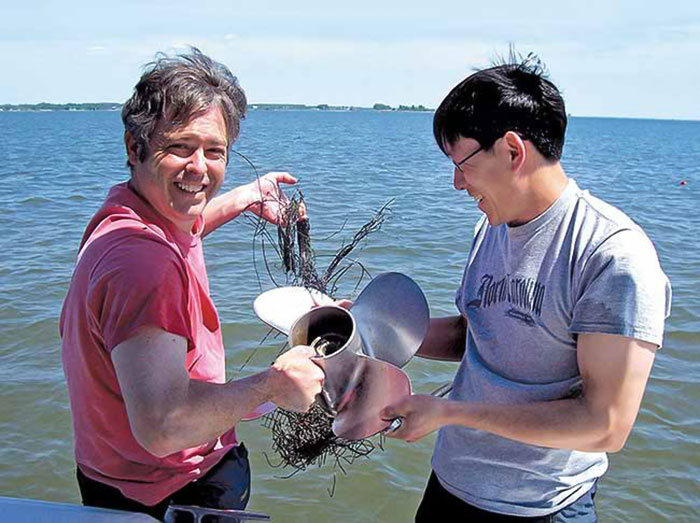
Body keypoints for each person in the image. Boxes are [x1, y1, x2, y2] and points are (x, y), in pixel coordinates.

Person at [382, 53, 671, 521]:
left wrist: (449, 412)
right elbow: (476, 333)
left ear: (513, 151)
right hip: (450, 487)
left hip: (540, 507)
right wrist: (370, 329)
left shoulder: (612, 256)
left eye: (462, 163)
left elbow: (605, 425)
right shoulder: (492, 227)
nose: (457, 183)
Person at [60, 48, 325, 520]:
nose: (200, 167)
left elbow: (189, 224)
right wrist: (272, 384)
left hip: (110, 477)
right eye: (180, 147)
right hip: (173, 493)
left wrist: (246, 196)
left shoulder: (129, 216)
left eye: (215, 151)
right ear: (133, 146)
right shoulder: (144, 264)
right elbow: (164, 425)